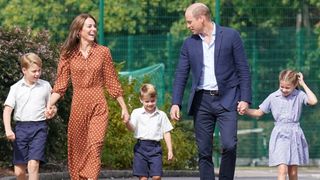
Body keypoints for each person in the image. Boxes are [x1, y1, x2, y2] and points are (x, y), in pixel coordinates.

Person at [170, 2, 252, 180]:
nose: (188, 25)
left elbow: (243, 69)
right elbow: (181, 74)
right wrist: (175, 102)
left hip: (227, 99)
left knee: (230, 145)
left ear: (202, 18)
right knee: (204, 151)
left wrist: (245, 98)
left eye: (190, 21)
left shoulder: (231, 36)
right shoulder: (188, 44)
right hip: (202, 102)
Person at [48, 13, 130, 180]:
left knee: (95, 145)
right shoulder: (67, 54)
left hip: (98, 105)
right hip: (78, 107)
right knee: (78, 150)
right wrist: (49, 105)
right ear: (79, 31)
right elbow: (61, 84)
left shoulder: (103, 52)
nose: (93, 29)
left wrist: (123, 107)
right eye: (89, 26)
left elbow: (112, 81)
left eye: (94, 26)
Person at [244, 70, 317, 180]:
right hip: (280, 135)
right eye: (281, 86)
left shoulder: (299, 95)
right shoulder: (273, 97)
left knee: (293, 172)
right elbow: (259, 112)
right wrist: (246, 110)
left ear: (295, 85)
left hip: (295, 134)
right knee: (282, 170)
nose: (284, 89)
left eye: (287, 87)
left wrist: (303, 84)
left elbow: (313, 101)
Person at [3, 53, 56, 180]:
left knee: (33, 165)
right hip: (21, 129)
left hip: (39, 128)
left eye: (39, 70)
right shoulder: (15, 88)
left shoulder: (45, 86)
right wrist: (8, 129)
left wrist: (52, 111)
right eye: (34, 71)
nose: (37, 74)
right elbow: (7, 110)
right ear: (24, 70)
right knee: (19, 172)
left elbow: (52, 106)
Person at [125, 83, 173, 180]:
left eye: (152, 101)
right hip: (140, 148)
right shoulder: (136, 112)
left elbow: (166, 132)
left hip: (155, 148)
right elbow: (132, 128)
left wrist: (170, 150)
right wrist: (127, 123)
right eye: (147, 101)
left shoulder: (161, 115)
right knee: (143, 177)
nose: (150, 104)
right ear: (141, 100)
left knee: (156, 176)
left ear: (156, 98)